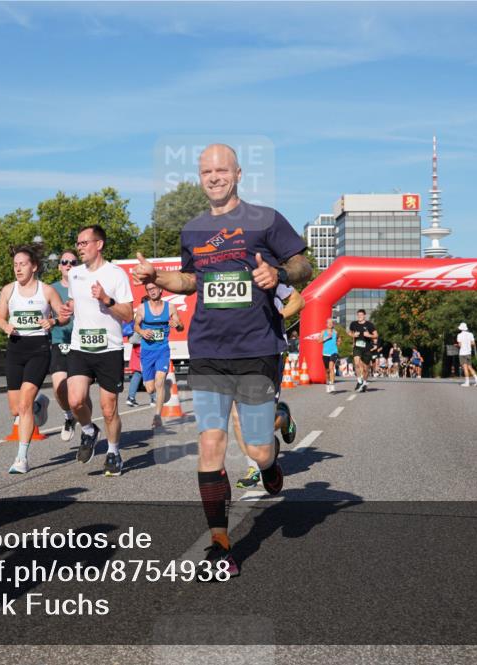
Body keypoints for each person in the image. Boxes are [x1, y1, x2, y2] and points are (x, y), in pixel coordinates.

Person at [132, 143, 311, 577]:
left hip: (256, 348)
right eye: (206, 172)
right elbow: (190, 280)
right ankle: (220, 544)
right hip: (208, 349)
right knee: (211, 443)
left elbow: (303, 266)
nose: (214, 177)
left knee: (257, 448)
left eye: (222, 170)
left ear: (238, 174)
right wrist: (158, 277)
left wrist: (278, 273)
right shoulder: (193, 229)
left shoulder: (266, 219)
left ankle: (272, 449)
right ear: (200, 177)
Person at [59, 225, 134, 477]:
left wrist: (106, 299)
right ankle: (89, 430)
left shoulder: (116, 274)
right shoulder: (75, 274)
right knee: (75, 400)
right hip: (80, 346)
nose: (79, 248)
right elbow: (75, 302)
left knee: (108, 408)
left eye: (84, 243)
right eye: (78, 244)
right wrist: (68, 309)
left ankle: (113, 452)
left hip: (109, 348)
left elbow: (128, 314)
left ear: (99, 244)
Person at [0, 244, 67, 474]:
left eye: (23, 264)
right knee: (15, 409)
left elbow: (64, 316)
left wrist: (53, 321)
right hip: (15, 348)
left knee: (24, 403)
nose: (18, 269)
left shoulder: (46, 291)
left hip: (39, 348)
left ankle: (21, 458)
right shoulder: (8, 290)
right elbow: (0, 318)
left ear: (34, 266)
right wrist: (5, 326)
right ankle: (40, 405)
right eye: (15, 265)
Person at [235, 283, 303, 489]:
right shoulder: (227, 274)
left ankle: (283, 417)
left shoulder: (267, 274)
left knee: (262, 421)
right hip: (236, 352)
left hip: (269, 351)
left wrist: (277, 317)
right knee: (238, 415)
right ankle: (253, 467)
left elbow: (298, 300)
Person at [135, 282, 183, 429]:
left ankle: (157, 416)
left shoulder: (170, 307)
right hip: (147, 351)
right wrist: (142, 332)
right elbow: (136, 325)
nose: (152, 291)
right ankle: (166, 388)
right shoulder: (142, 308)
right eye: (149, 289)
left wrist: (177, 325)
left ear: (160, 289)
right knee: (150, 389)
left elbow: (181, 326)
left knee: (160, 381)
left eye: (154, 288)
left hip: (162, 350)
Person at [48, 249, 79, 441]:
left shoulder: (85, 287)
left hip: (81, 343)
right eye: (65, 262)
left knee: (79, 393)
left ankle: (87, 428)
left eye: (73, 262)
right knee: (59, 386)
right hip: (59, 342)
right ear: (59, 266)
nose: (69, 265)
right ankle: (69, 416)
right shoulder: (50, 289)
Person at [349, 309, 377, 392]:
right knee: (356, 363)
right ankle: (359, 381)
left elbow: (376, 335)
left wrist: (369, 335)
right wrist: (353, 334)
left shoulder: (369, 325)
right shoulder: (353, 324)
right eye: (358, 315)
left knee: (366, 368)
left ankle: (364, 383)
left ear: (364, 315)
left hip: (367, 348)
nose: (359, 316)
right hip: (357, 347)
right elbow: (349, 333)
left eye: (361, 315)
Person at [456, 322, 477, 387]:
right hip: (468, 352)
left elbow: (460, 345)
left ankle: (467, 382)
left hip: (462, 353)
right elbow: (473, 343)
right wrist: (468, 344)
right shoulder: (470, 334)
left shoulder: (459, 335)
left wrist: (457, 345)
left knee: (465, 367)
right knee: (470, 367)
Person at [321, 318, 338, 393]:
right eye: (329, 323)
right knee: (327, 371)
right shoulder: (323, 332)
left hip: (334, 352)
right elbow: (319, 341)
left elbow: (338, 340)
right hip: (325, 353)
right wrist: (326, 338)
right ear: (326, 324)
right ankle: (328, 384)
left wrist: (338, 342)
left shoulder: (335, 332)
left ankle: (332, 385)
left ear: (333, 324)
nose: (330, 324)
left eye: (331, 323)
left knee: (331, 368)